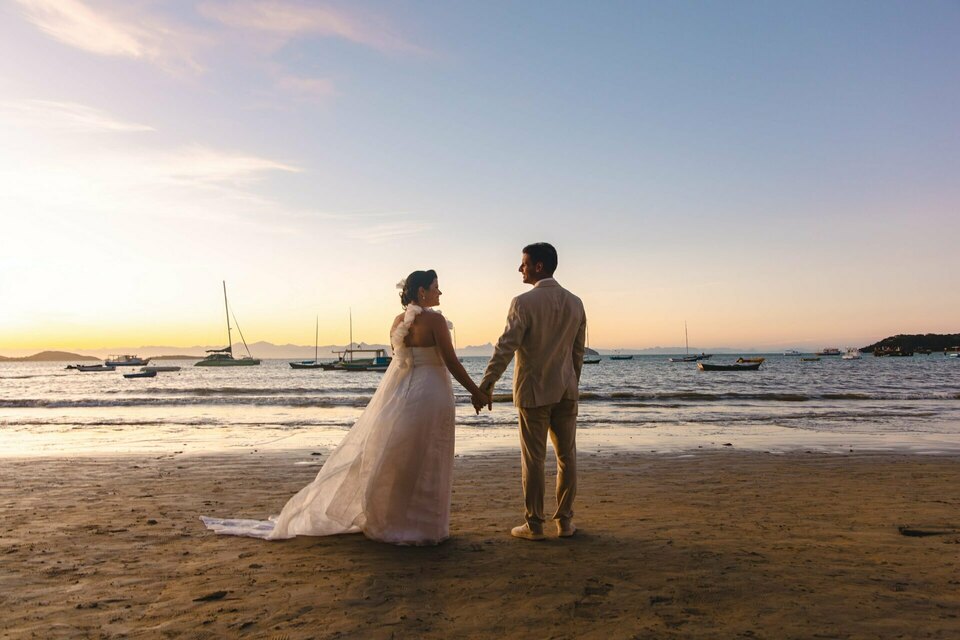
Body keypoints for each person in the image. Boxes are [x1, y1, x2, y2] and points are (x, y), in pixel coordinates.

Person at [202, 270, 489, 546]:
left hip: (404, 395)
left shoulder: (398, 321)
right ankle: (424, 527)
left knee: (401, 458)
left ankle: (393, 522)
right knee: (428, 455)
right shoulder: (435, 321)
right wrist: (476, 391)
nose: (440, 291)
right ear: (422, 291)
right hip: (431, 392)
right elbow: (451, 361)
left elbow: (400, 361)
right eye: (436, 286)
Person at [476, 243, 586, 541]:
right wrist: (571, 383)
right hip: (566, 391)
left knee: (534, 460)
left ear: (538, 266)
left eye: (523, 263)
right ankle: (564, 522)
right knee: (567, 457)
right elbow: (578, 353)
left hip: (533, 393)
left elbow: (505, 347)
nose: (519, 268)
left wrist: (486, 386)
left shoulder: (523, 303)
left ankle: (535, 525)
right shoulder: (575, 303)